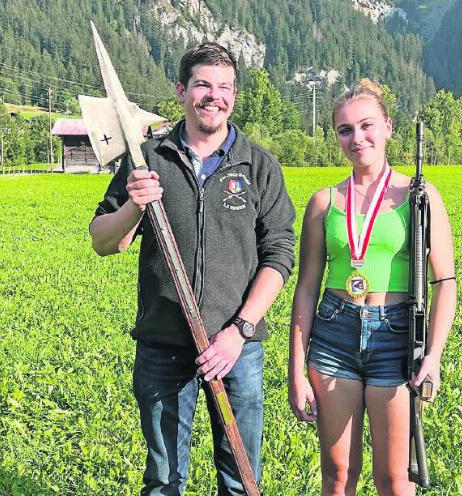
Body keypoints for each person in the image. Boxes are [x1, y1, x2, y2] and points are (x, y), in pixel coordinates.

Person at [89, 43, 296, 495]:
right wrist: (134, 205)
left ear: (235, 95)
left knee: (241, 480)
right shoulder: (147, 158)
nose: (213, 95)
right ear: (182, 90)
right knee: (163, 480)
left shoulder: (258, 166)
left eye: (224, 87)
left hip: (237, 350)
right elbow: (105, 241)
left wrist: (239, 331)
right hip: (163, 345)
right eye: (203, 84)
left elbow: (279, 254)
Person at [288, 79, 457, 496]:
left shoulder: (420, 196)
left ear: (387, 126)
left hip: (395, 338)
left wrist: (432, 356)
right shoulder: (323, 202)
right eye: (345, 130)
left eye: (366, 126)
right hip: (333, 335)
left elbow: (446, 283)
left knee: (395, 480)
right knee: (338, 476)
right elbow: (306, 288)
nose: (357, 137)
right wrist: (295, 368)